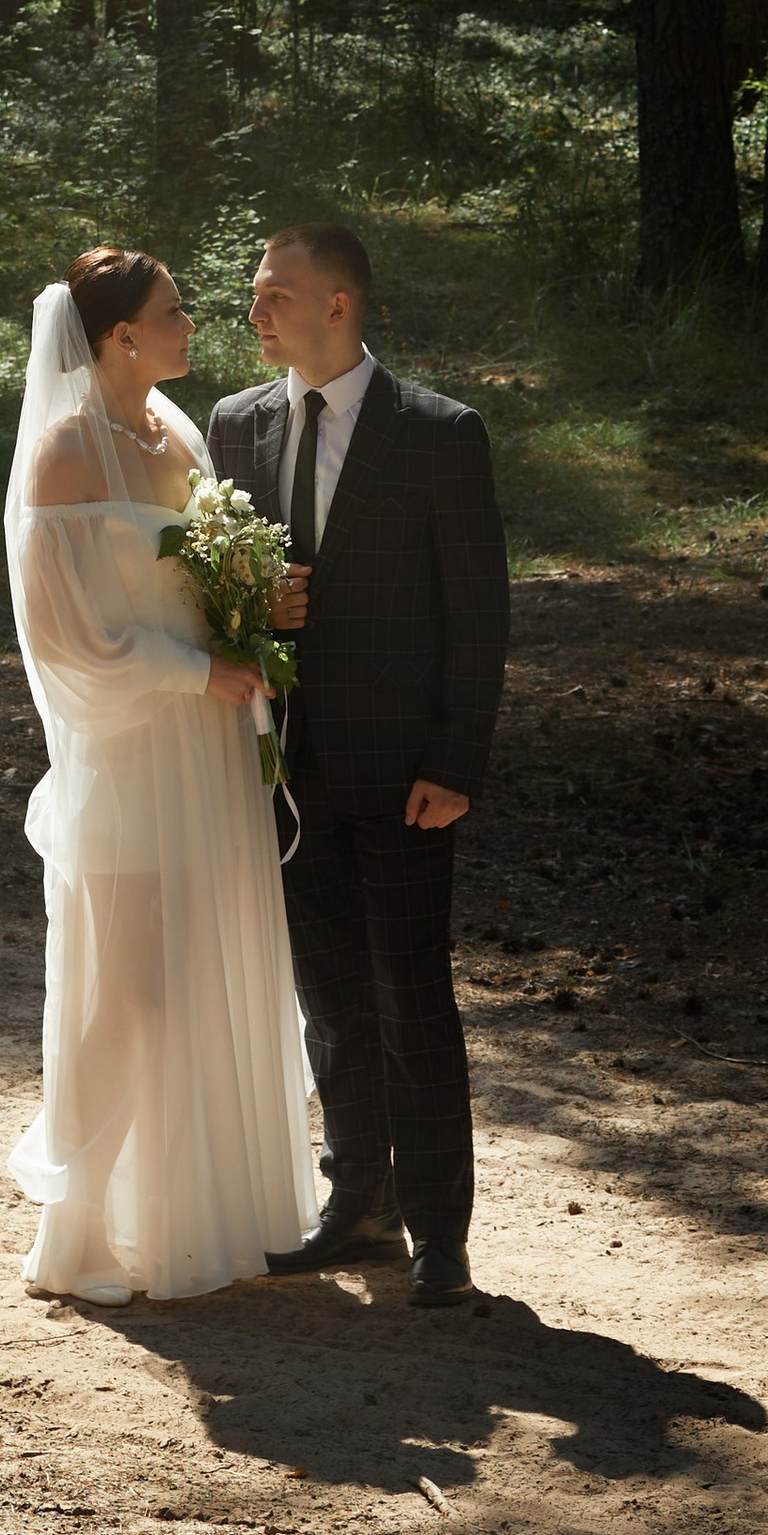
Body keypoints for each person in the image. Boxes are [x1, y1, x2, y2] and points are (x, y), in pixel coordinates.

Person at [207, 222, 510, 1309]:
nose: (255, 311)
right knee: (330, 1002)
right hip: (286, 770)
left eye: (274, 294)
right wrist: (252, 610)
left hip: (404, 775)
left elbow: (479, 614)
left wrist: (456, 760)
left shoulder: (439, 432)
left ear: (337, 305)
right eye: (254, 293)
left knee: (412, 1001)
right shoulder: (235, 425)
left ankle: (440, 1237)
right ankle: (358, 1208)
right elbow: (214, 593)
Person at [4, 247, 315, 1303]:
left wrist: (253, 611)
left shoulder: (176, 432)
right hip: (133, 753)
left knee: (198, 980)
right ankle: (72, 1229)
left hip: (209, 746)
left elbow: (191, 586)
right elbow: (64, 642)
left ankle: (197, 1216)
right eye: (174, 311)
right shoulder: (64, 454)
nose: (194, 324)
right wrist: (194, 671)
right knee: (132, 991)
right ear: (120, 335)